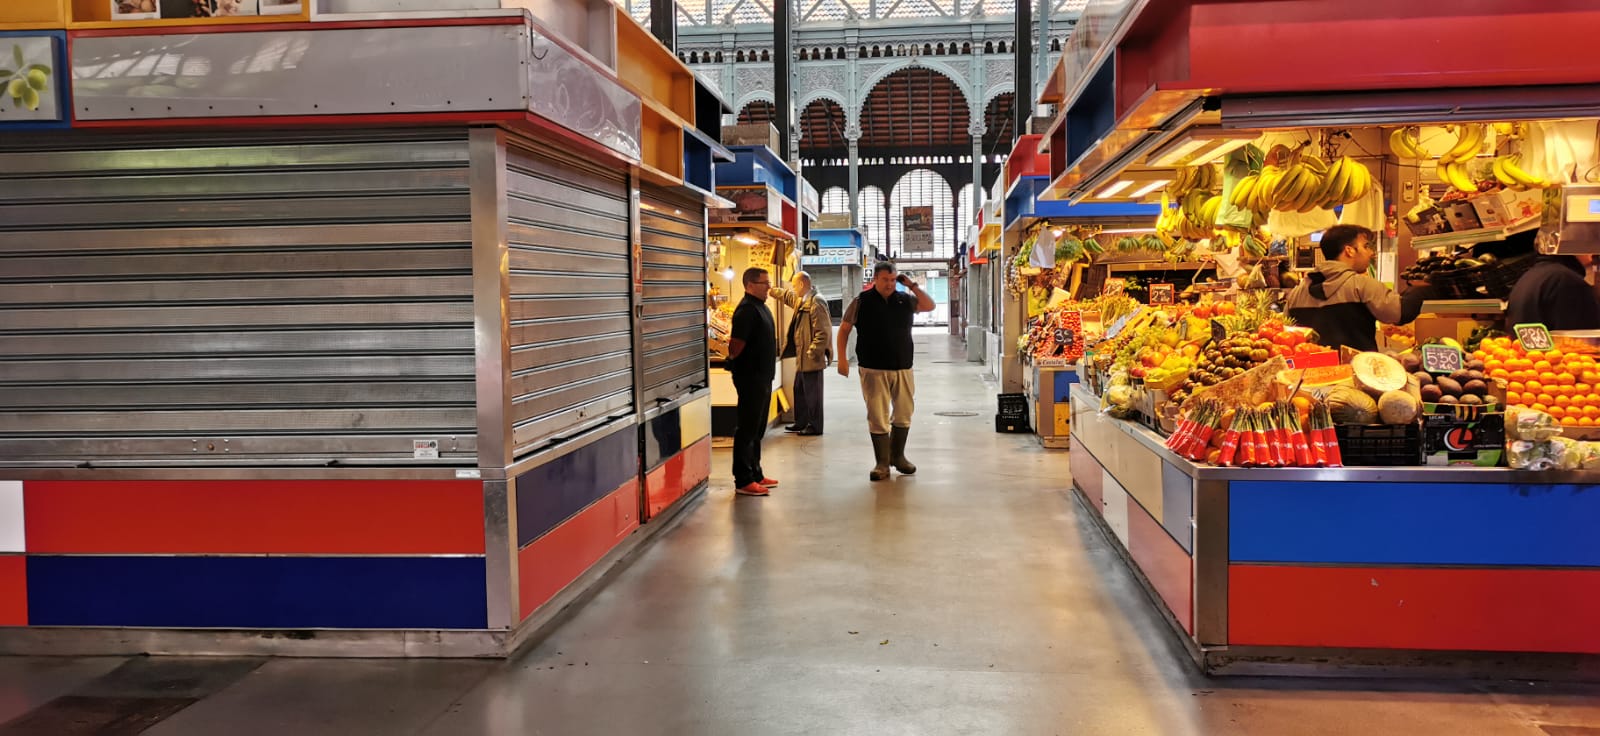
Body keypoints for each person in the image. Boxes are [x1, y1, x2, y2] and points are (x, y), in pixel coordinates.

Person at [836, 261, 936, 481]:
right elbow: (844, 330)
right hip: (873, 368)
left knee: (904, 413)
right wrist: (841, 359)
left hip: (902, 367)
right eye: (885, 280)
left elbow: (930, 306)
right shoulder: (861, 301)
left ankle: (897, 457)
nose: (890, 284)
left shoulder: (905, 299)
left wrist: (912, 286)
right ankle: (882, 463)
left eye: (893, 280)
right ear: (875, 279)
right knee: (877, 415)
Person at [1286, 224, 1433, 352]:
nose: (1371, 252)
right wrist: (1425, 287)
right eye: (1366, 246)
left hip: (1309, 374)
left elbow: (1287, 333)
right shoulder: (1362, 285)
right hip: (1359, 373)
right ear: (1349, 250)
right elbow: (1399, 313)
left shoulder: (1296, 293)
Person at [726, 267, 781, 497]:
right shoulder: (747, 310)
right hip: (750, 378)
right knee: (747, 428)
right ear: (750, 285)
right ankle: (743, 478)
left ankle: (756, 472)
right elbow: (736, 345)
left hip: (763, 377)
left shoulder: (761, 307)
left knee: (757, 428)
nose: (769, 287)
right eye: (764, 283)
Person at [775, 272, 833, 436]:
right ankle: (801, 422)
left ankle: (814, 426)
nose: (793, 289)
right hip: (802, 356)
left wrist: (813, 351)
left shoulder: (816, 302)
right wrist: (771, 290)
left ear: (801, 284)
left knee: (813, 394)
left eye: (794, 285)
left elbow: (824, 331)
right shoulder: (802, 300)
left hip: (811, 357)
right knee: (799, 390)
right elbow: (788, 297)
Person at [1506, 254, 1600, 331]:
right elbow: (1581, 340)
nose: (1592, 256)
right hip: (1556, 353)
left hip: (1526, 352)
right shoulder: (1567, 280)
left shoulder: (1528, 276)